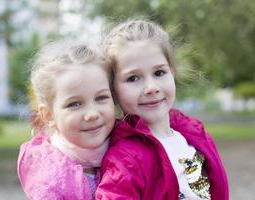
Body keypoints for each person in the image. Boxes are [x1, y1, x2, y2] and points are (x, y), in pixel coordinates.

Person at [95, 19, 229, 200]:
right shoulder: (125, 160)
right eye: (133, 78)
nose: (151, 87)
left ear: (172, 73)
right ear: (113, 90)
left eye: (159, 73)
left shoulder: (195, 134)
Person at [17, 42, 116, 199]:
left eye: (101, 97)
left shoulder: (128, 148)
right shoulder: (50, 183)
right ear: (49, 115)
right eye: (74, 104)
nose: (92, 114)